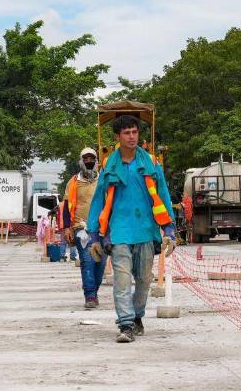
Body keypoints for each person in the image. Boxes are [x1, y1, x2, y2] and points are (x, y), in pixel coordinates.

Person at [86, 115, 177, 343]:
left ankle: (137, 316)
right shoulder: (109, 166)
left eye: (134, 132)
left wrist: (169, 231)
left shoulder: (151, 164)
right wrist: (95, 235)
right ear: (117, 137)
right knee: (122, 280)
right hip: (119, 232)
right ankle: (125, 324)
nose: (131, 137)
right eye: (126, 133)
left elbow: (163, 196)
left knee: (145, 280)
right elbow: (99, 200)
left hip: (146, 230)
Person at [62, 148, 106, 309]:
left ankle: (93, 291)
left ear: (96, 161)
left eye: (91, 158)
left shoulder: (104, 180)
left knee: (100, 262)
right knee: (88, 260)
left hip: (102, 228)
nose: (89, 161)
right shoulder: (73, 182)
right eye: (85, 158)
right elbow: (66, 206)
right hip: (80, 227)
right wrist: (67, 227)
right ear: (81, 161)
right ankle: (90, 295)